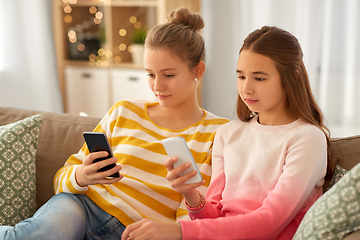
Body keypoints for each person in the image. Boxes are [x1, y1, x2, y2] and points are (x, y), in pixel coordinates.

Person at [0, 8, 228, 240]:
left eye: (168, 75)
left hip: (135, 232)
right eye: (150, 74)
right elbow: (61, 179)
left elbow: (195, 219)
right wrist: (82, 175)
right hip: (82, 207)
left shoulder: (216, 133)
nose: (157, 86)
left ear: (197, 70)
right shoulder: (124, 111)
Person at [121, 26, 334, 240]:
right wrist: (191, 194)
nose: (246, 89)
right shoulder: (228, 134)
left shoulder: (307, 138)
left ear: (292, 77)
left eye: (259, 78)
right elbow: (214, 218)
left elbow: (270, 223)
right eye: (241, 77)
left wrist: (179, 231)